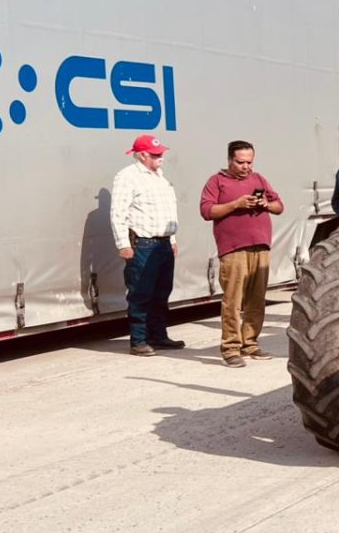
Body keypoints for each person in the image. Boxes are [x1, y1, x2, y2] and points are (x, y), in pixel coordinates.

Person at [199, 141, 284, 367]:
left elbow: (279, 206)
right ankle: (230, 347)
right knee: (233, 301)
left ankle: (251, 344)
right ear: (229, 160)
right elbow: (207, 211)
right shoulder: (216, 181)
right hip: (233, 249)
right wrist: (236, 204)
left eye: (249, 162)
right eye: (240, 162)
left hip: (260, 247)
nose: (246, 166)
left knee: (256, 300)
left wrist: (265, 203)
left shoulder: (258, 179)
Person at [110, 134, 184, 357]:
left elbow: (167, 212)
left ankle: (158, 335)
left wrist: (172, 240)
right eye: (156, 154)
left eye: (161, 153)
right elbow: (118, 213)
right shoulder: (127, 177)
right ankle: (139, 339)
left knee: (162, 292)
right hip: (143, 244)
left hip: (162, 244)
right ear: (142, 155)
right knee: (141, 292)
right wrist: (123, 244)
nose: (161, 157)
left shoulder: (160, 177)